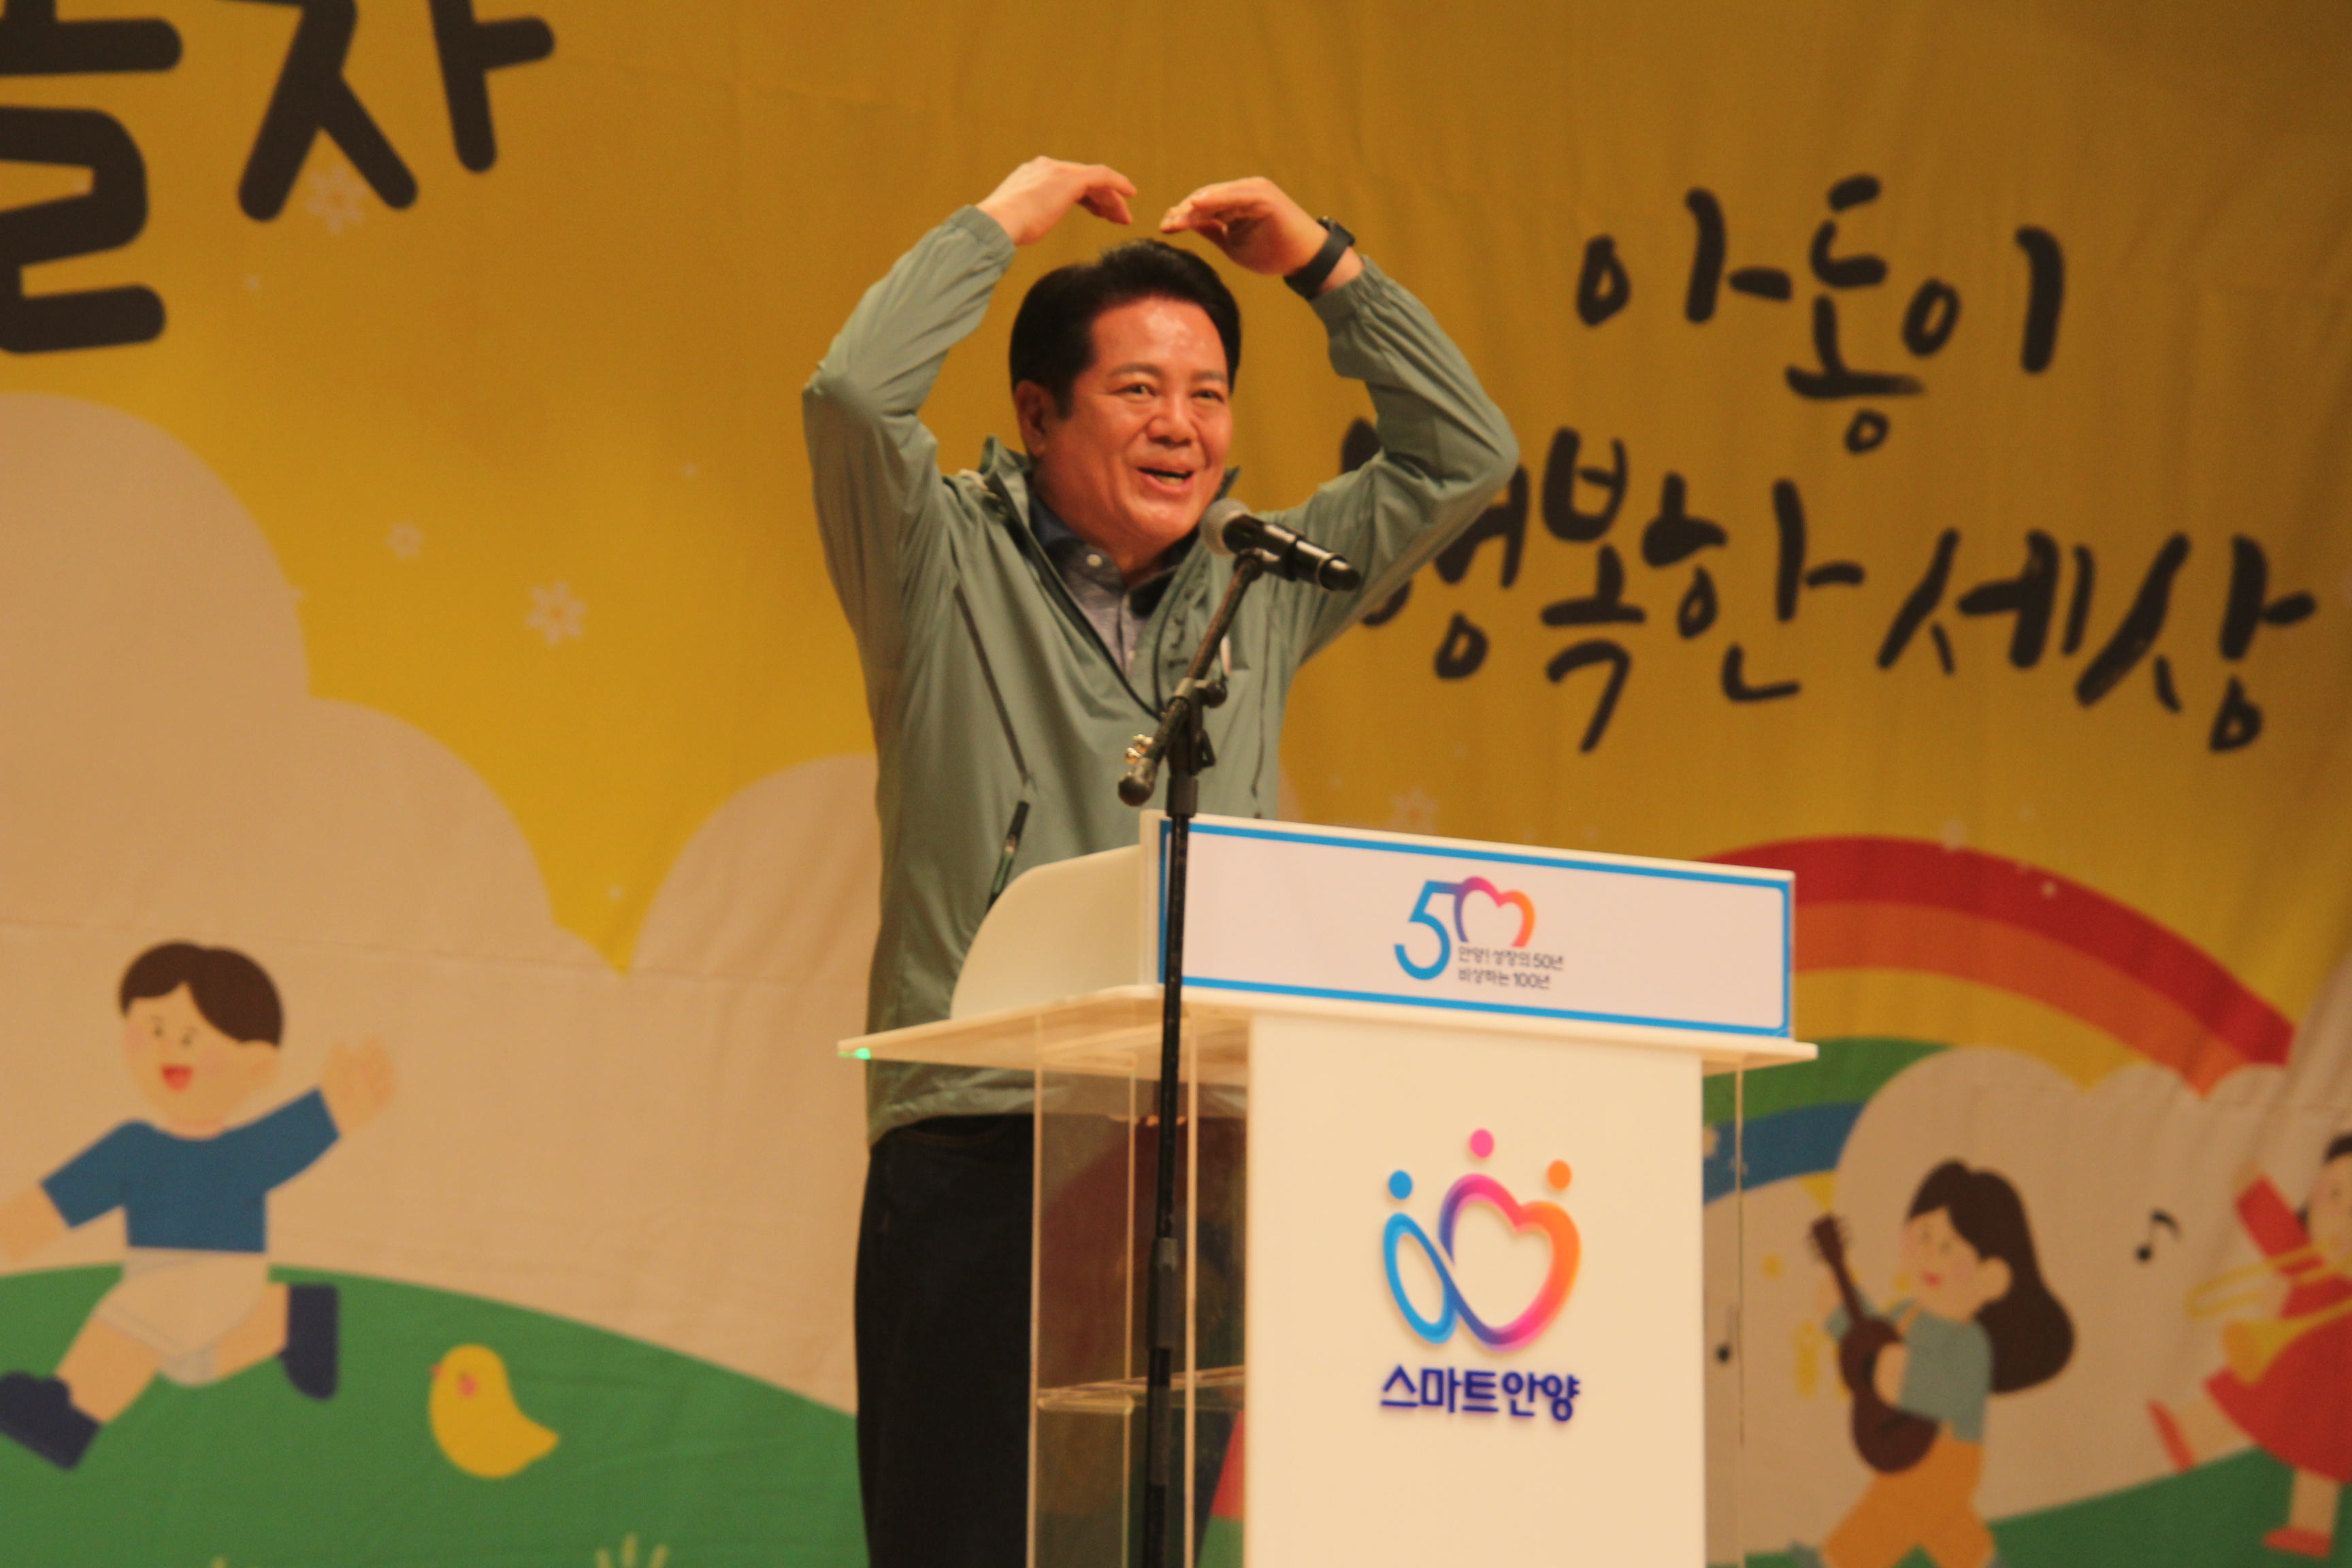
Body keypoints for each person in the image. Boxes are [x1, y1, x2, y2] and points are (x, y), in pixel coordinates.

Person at [804, 156, 1517, 1566]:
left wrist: (1323, 265)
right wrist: (1004, 219)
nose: (1181, 425)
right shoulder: (936, 557)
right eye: (1138, 389)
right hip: (985, 1135)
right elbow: (852, 396)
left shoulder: (1267, 575)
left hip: (1193, 1152)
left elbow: (1465, 456)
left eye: (1208, 393)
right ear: (1038, 414)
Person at [0, 941, 397, 1469]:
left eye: (190, 1037)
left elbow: (291, 1136)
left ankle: (68, 1414)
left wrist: (333, 1109)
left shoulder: (241, 1153)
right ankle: (292, 1316)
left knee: (136, 1312)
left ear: (258, 1068)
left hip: (222, 1272)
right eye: (153, 1030)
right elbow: (50, 1207)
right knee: (184, 1363)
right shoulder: (131, 1146)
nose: (169, 1050)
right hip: (155, 1269)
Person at [1794, 1161, 2073, 1568]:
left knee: (1889, 1514)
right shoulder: (1907, 1313)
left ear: (1992, 1278)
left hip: (1949, 1454)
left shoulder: (1970, 1343)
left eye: (1947, 1248)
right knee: (1945, 1524)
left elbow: (1944, 1390)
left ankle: (1837, 1561)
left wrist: (1895, 1374)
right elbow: (1872, 1340)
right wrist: (1842, 1311)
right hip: (1909, 1446)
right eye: (1923, 1235)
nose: (1929, 1254)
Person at [2149, 1139, 2352, 1559]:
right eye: (2333, 1195)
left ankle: (2311, 1529)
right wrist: (2254, 1192)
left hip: (2327, 1385)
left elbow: (2279, 1239)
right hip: (2298, 1370)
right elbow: (2277, 1233)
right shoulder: (2308, 1259)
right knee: (2249, 1400)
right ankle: (2188, 1437)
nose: (2341, 1212)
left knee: (2321, 1453)